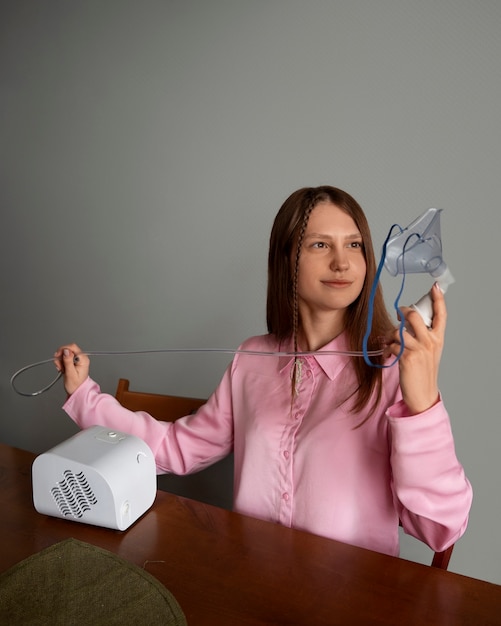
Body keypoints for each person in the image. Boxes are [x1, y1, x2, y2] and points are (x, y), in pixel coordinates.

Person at [54, 185, 472, 557]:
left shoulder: (391, 368)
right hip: (253, 584)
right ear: (286, 258)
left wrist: (422, 403)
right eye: (320, 246)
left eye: (356, 245)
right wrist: (85, 396)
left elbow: (441, 528)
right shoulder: (251, 358)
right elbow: (177, 449)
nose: (343, 263)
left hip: (350, 600)